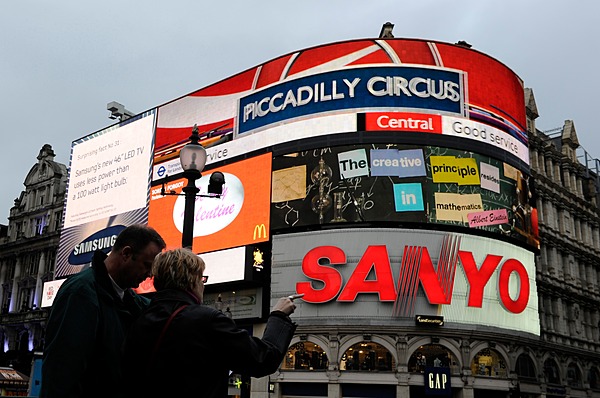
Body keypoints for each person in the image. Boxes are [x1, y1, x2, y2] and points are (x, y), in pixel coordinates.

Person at [122, 248, 298, 398]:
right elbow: (263, 359)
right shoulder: (206, 321)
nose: (203, 285)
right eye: (202, 279)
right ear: (192, 280)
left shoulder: (139, 320)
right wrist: (278, 316)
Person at [41, 224, 166, 398]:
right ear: (126, 253)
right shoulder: (80, 293)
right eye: (146, 265)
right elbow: (63, 369)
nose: (150, 274)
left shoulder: (132, 301)